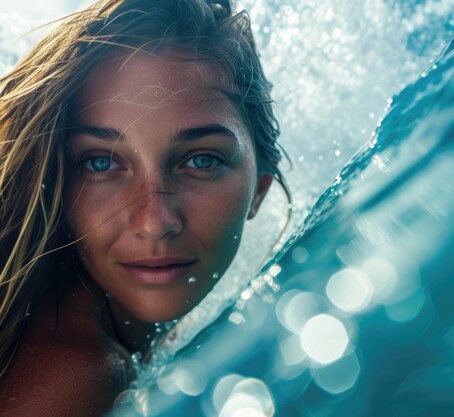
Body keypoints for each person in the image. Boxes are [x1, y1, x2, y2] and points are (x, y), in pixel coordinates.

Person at [0, 0, 289, 415]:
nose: (154, 222)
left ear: (259, 189)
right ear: (56, 184)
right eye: (101, 163)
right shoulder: (81, 375)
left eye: (201, 160)